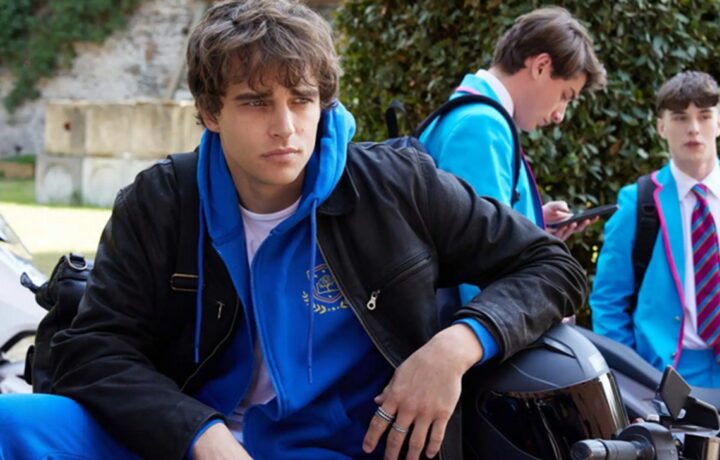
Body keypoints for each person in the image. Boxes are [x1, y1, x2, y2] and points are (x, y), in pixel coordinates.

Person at [0, 1, 586, 459]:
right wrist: (197, 432)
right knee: (15, 422)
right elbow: (95, 349)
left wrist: (456, 346)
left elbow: (552, 265)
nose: (285, 126)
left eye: (302, 100)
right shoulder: (160, 200)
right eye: (256, 103)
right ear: (210, 112)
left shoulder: (396, 185)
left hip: (347, 447)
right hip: (187, 441)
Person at [418, 6, 605, 304]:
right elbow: (481, 261)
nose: (560, 115)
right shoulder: (481, 126)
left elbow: (474, 228)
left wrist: (533, 225)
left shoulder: (473, 115)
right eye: (565, 96)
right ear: (541, 66)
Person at [590, 71, 720, 388]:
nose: (693, 128)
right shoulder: (638, 203)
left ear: (719, 124)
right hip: (666, 374)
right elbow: (608, 301)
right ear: (661, 127)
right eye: (680, 118)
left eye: (704, 116)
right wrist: (630, 379)